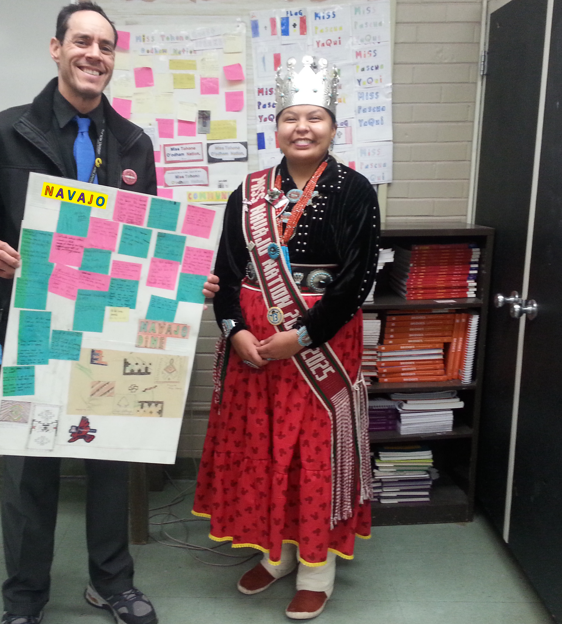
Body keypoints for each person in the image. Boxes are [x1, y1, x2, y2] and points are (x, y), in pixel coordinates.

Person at [0, 4, 157, 624]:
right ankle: (25, 598)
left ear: (114, 59)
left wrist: (178, 280)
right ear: (56, 48)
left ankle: (112, 584)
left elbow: (143, 236)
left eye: (106, 46)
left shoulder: (133, 143)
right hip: (33, 323)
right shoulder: (3, 131)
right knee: (30, 466)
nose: (95, 54)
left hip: (107, 325)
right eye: (82, 42)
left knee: (111, 459)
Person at [192, 56, 380, 620]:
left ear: (333, 127)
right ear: (274, 128)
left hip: (320, 342)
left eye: (315, 117)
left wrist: (300, 337)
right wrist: (234, 329)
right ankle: (278, 552)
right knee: (265, 446)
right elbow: (224, 272)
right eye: (291, 117)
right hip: (252, 342)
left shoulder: (354, 190)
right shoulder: (245, 193)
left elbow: (357, 279)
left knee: (310, 450)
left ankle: (317, 567)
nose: (302, 127)